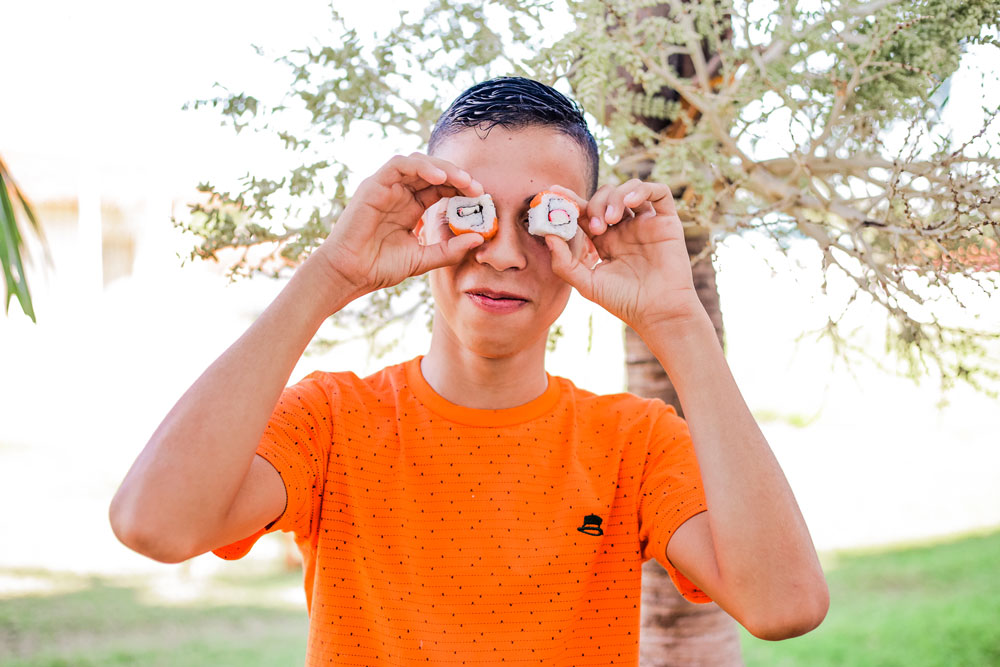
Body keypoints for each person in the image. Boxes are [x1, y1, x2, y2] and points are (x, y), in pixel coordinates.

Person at [110, 77, 828, 664]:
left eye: (542, 220)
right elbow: (154, 524)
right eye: (472, 213)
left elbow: (784, 605)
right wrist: (331, 273)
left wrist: (675, 319)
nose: (504, 254)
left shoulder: (633, 445)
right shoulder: (331, 422)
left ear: (584, 233)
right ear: (427, 215)